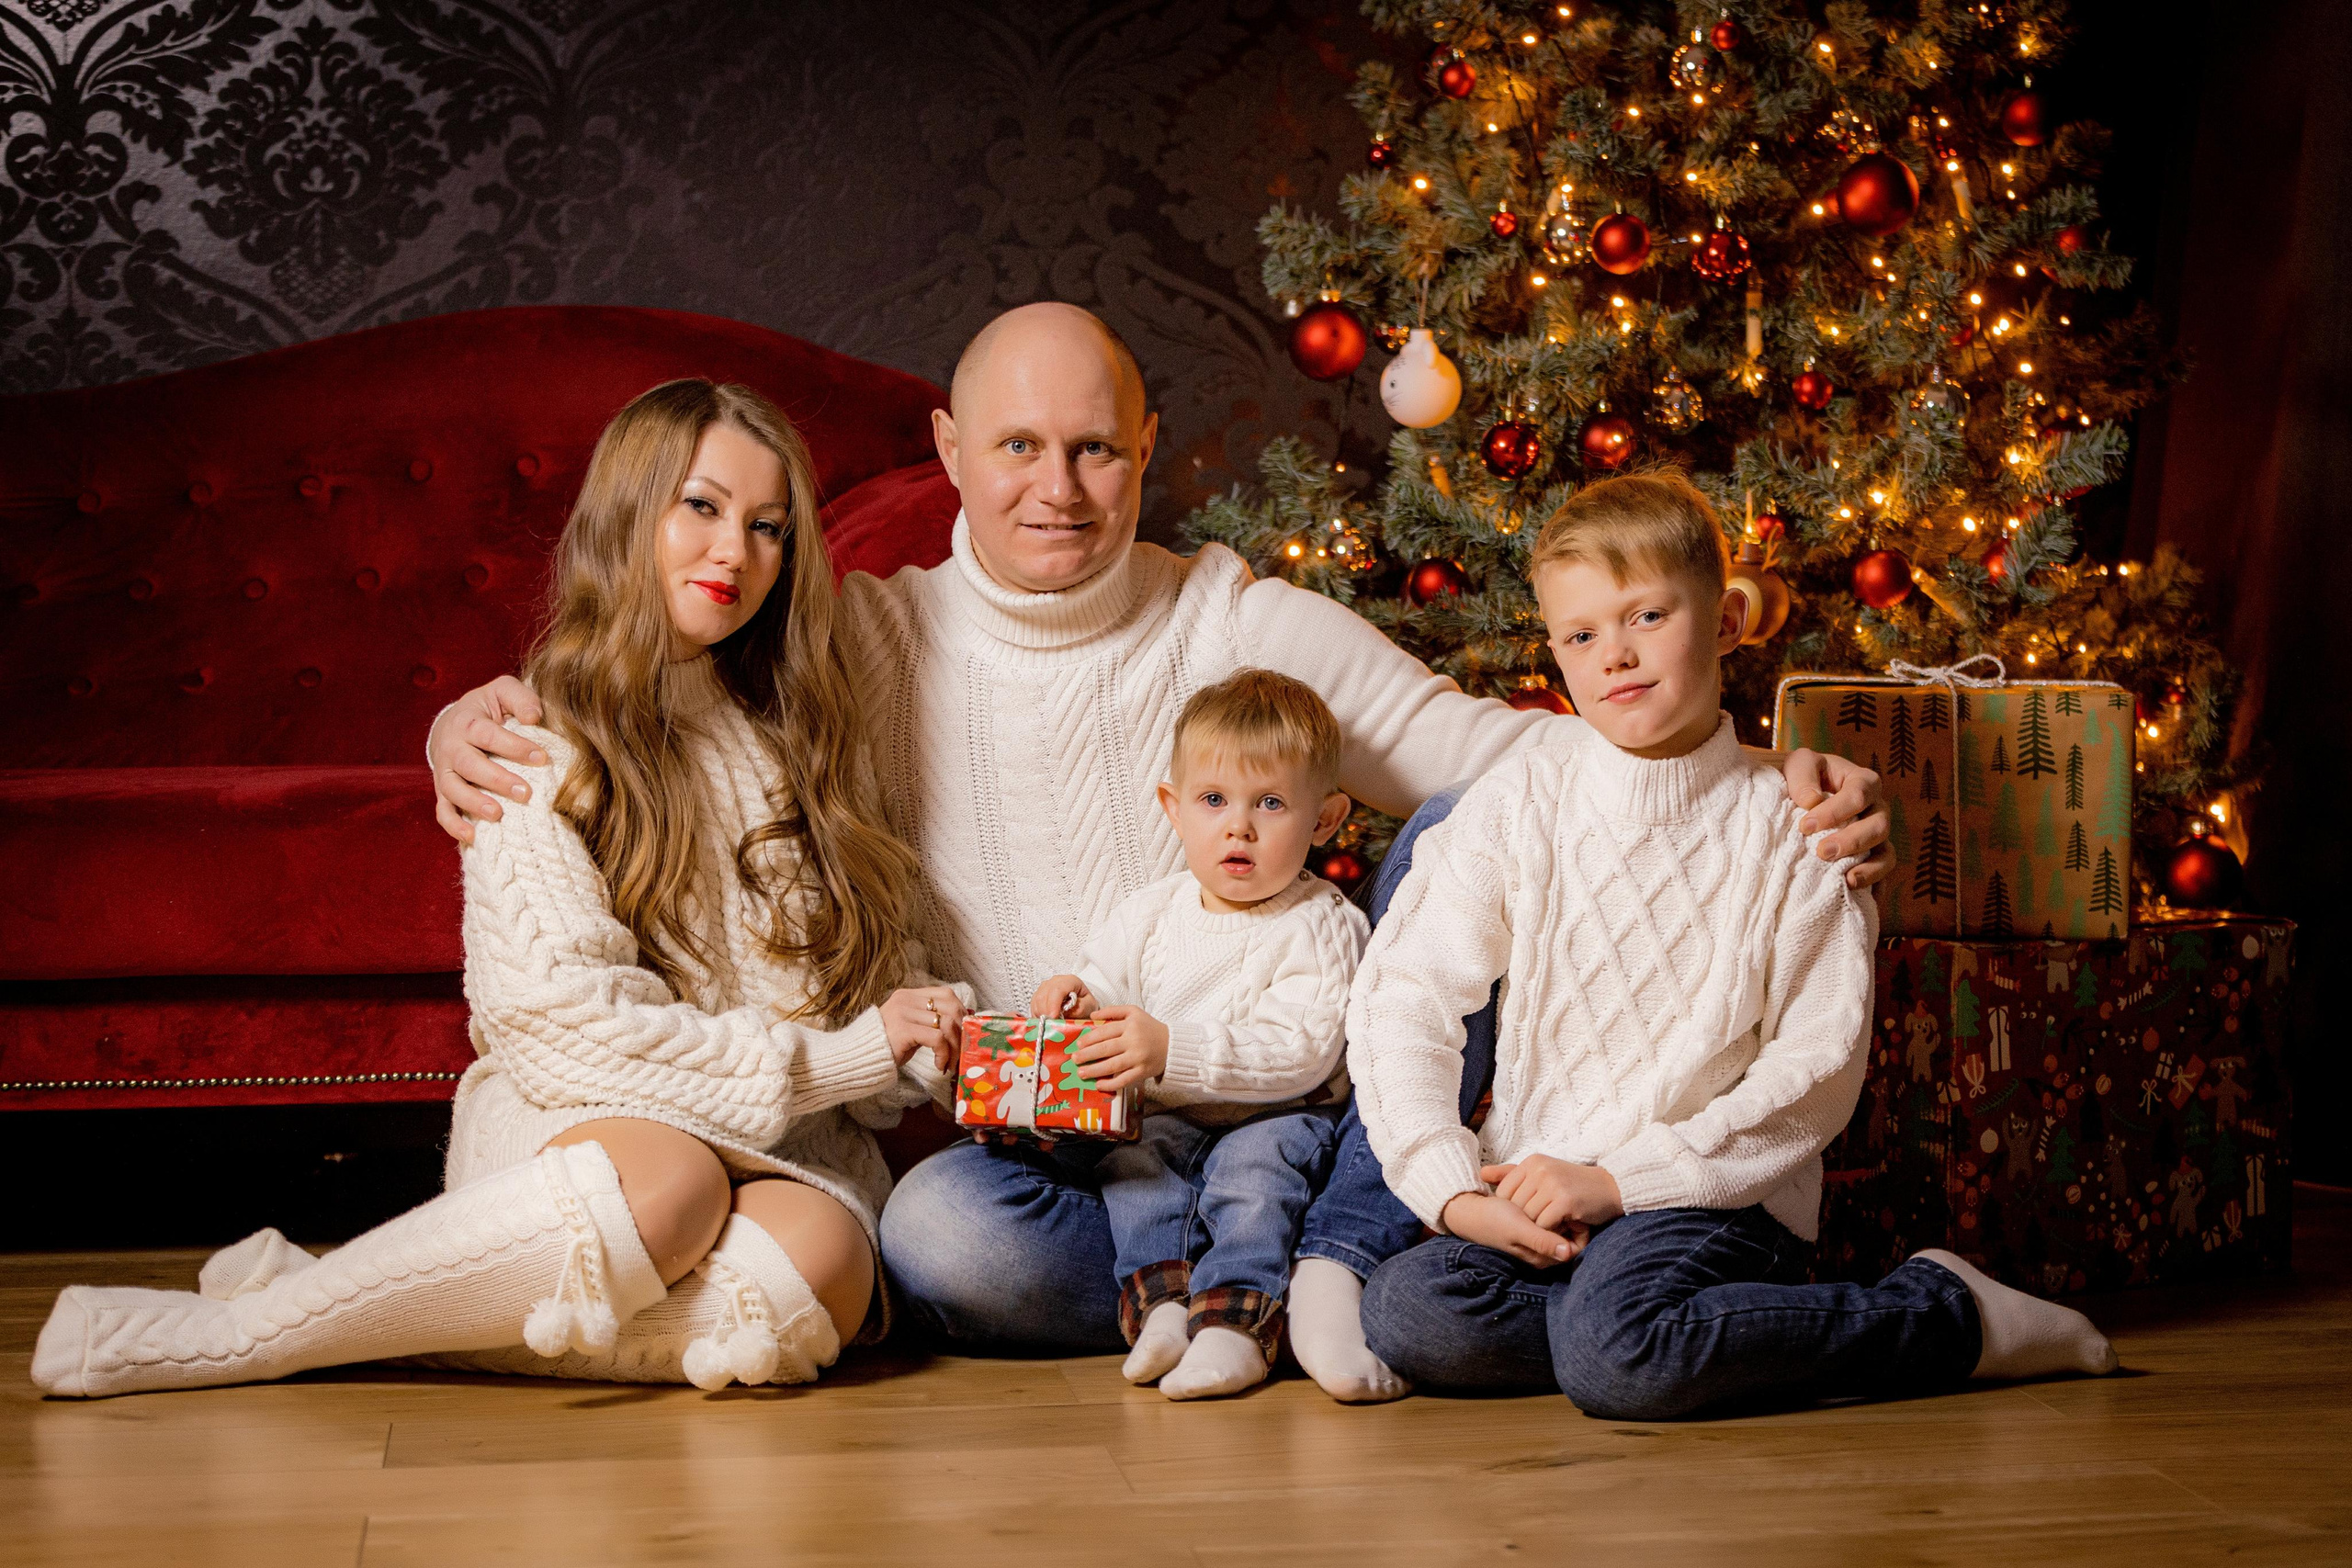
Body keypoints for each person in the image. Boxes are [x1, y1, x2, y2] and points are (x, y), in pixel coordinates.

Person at [420, 303, 1895, 1400]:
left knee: (1459, 834)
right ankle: (1225, 1281)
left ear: (1143, 454)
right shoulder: (866, 638)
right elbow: (675, 684)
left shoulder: (1237, 621)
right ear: (948, 451)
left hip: (1286, 1107)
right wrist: (478, 717)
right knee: (936, 1236)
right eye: (1015, 447)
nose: (1055, 487)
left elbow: (1502, 754)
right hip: (1057, 1143)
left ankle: (1316, 1248)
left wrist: (1766, 771)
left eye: (1093, 449)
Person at [32, 380, 972, 1397]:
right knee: (673, 1182)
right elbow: (564, 1031)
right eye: (698, 507)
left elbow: (876, 995)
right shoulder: (527, 743)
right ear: (626, 515)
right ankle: (246, 1339)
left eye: (767, 527)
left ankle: (361, 1307)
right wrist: (836, 1058)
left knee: (826, 1266)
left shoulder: (815, 747)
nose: (733, 554)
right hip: (585, 1129)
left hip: (782, 1143)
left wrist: (927, 1039)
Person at [1346, 472, 2119, 1420]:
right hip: (1543, 1183)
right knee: (1410, 1311)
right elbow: (1407, 993)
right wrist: (1450, 1188)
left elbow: (1815, 1068)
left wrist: (1618, 1181)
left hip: (1710, 1192)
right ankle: (1673, 1331)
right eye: (1581, 635)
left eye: (1647, 616)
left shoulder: (1799, 821)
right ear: (1553, 652)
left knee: (1617, 1357)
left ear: (1724, 621)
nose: (1614, 656)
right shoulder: (1520, 797)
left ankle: (1947, 1315)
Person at [1020, 670, 1367, 1401]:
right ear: (1175, 810)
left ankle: (1236, 1326)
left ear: (1326, 820)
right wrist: (1076, 999)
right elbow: (1109, 988)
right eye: (1214, 801)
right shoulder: (1151, 911)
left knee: (1253, 1178)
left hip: (1278, 1114)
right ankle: (1164, 1307)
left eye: (1270, 803)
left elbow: (1306, 1051)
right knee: (1135, 1170)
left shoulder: (1322, 922)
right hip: (1168, 1116)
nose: (1239, 826)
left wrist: (1173, 1049)